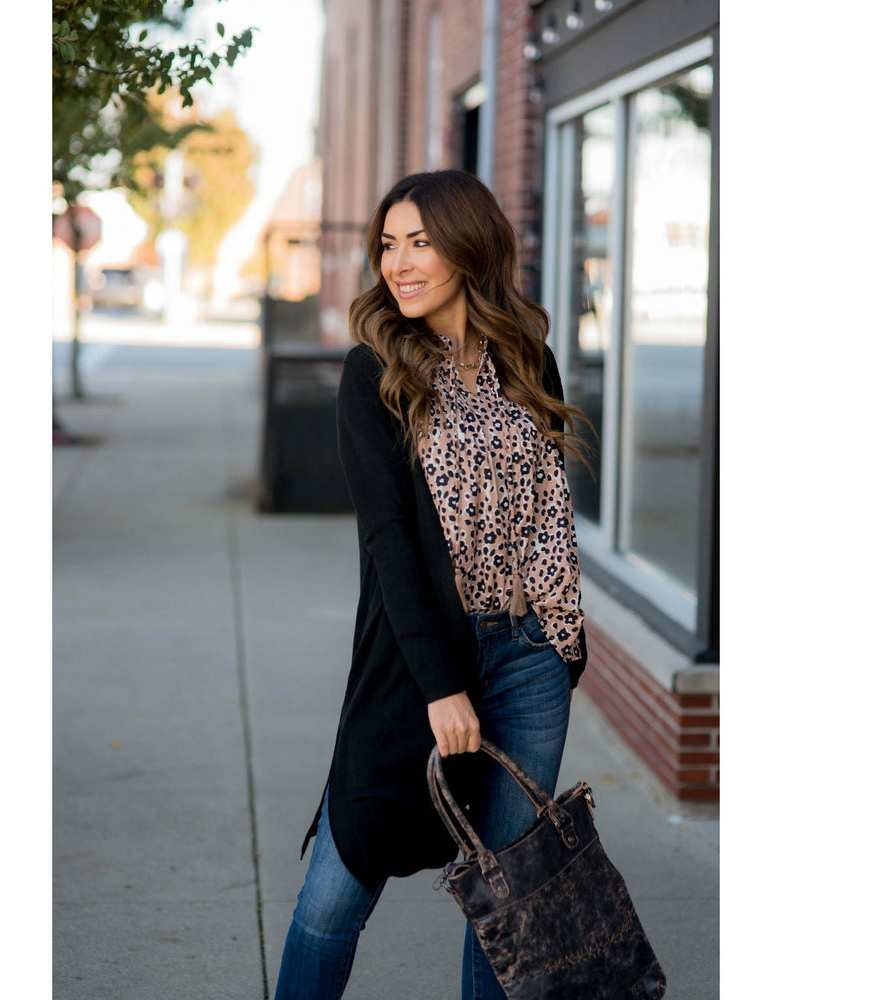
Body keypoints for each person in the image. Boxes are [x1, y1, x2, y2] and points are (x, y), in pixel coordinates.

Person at [274, 169, 589, 1000]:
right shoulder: (374, 371)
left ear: (469, 247)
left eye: (420, 242)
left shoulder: (528, 360)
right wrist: (441, 686)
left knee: (507, 902)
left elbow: (550, 509)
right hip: (418, 661)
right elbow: (387, 543)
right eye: (389, 244)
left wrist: (565, 646)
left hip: (528, 655)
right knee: (339, 884)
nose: (399, 263)